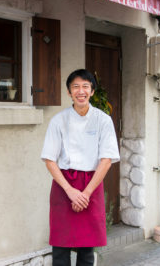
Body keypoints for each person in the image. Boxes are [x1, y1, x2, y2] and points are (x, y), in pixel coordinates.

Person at [41, 69, 120, 266]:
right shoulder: (59, 120)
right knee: (60, 248)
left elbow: (106, 160)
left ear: (92, 91)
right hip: (63, 185)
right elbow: (50, 159)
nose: (81, 91)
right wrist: (70, 191)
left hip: (91, 185)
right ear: (69, 92)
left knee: (87, 249)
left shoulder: (103, 120)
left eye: (85, 86)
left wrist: (85, 193)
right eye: (75, 87)